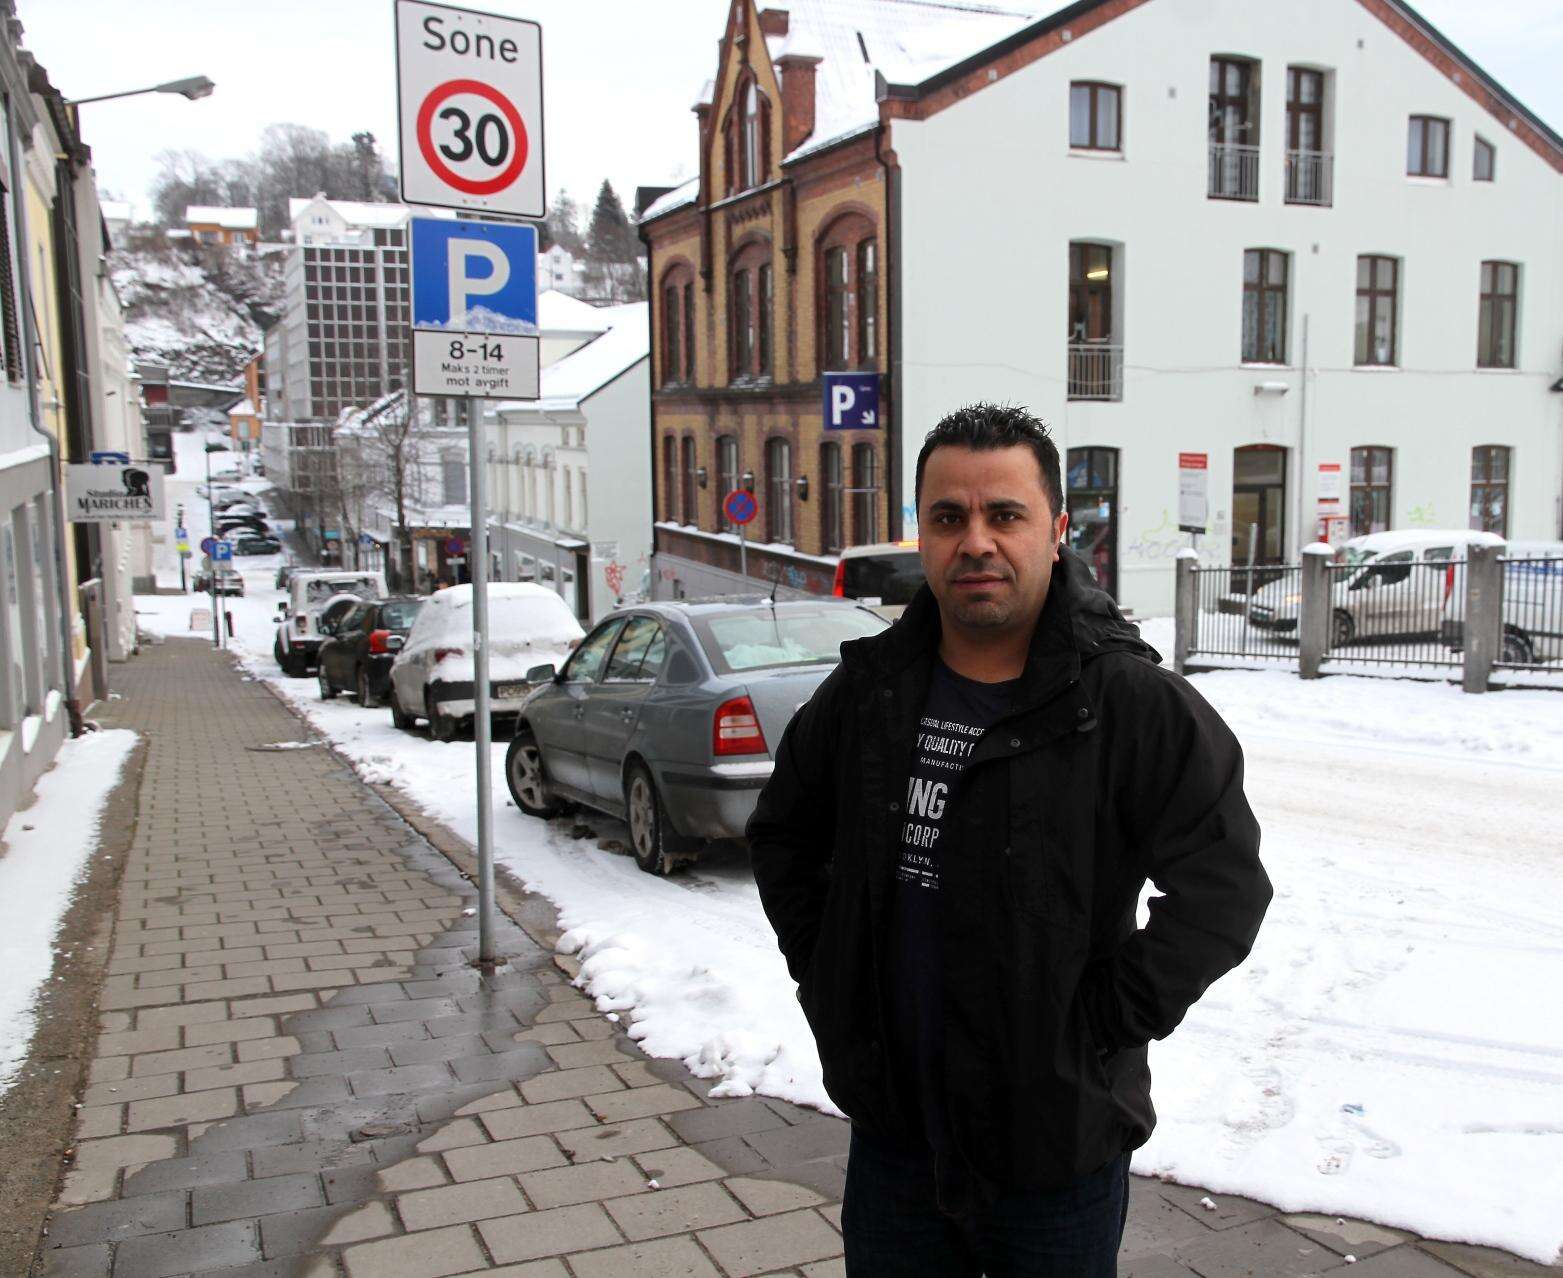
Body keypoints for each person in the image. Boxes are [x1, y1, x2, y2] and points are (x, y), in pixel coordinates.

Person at [747, 404, 1272, 1276]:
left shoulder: (1126, 704)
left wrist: (1097, 1026)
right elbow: (784, 836)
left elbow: (1223, 890)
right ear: (922, 535)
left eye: (1005, 515)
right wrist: (830, 973)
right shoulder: (871, 693)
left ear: (1056, 531)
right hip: (895, 1144)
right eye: (948, 517)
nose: (976, 542)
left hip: (1054, 1153)